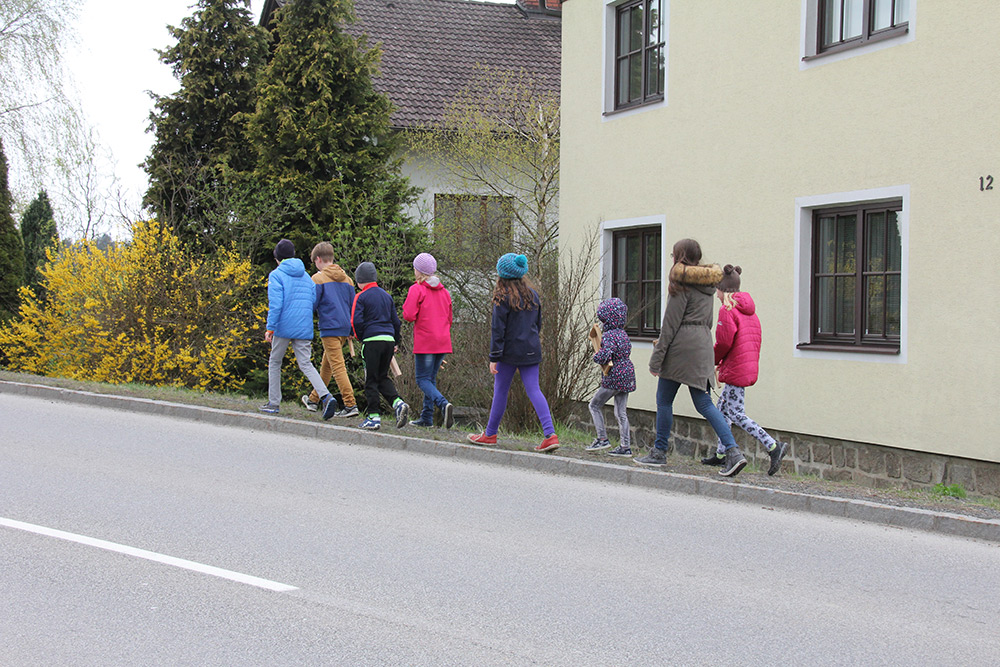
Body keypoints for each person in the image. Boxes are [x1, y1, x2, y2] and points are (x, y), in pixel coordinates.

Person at [637, 238, 746, 476]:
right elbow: (707, 321)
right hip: (702, 345)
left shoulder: (681, 283)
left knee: (664, 399)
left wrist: (656, 359)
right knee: (704, 403)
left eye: (673, 255)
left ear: (680, 257)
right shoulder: (708, 285)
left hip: (680, 347)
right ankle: (733, 451)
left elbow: (670, 324)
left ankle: (659, 452)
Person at [701, 264, 788, 475]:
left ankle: (773, 446)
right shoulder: (749, 312)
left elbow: (723, 343)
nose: (716, 294)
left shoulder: (727, 310)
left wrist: (710, 362)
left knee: (736, 414)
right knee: (722, 409)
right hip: (746, 367)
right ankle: (722, 454)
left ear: (722, 290)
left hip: (736, 371)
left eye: (717, 289)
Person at [468, 253, 559, 453]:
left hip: (508, 353)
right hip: (531, 350)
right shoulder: (533, 295)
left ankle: (490, 434)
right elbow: (538, 324)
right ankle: (550, 435)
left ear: (502, 274)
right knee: (534, 390)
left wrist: (494, 357)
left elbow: (497, 330)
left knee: (500, 391)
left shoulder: (501, 297)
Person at [260, 239, 336, 418]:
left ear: (278, 258)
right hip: (303, 325)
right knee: (305, 363)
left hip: (283, 325)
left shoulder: (276, 275)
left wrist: (270, 328)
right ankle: (326, 396)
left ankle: (274, 402)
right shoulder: (305, 276)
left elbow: (276, 304)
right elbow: (311, 301)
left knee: (275, 362)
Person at [301, 241, 359, 418]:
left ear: (318, 259)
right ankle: (313, 400)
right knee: (327, 365)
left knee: (338, 367)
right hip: (343, 328)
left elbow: (312, 304)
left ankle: (350, 404)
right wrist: (351, 328)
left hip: (329, 327)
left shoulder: (317, 279)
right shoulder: (348, 280)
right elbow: (352, 306)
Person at [351, 261, 409, 430]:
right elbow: (396, 322)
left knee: (371, 379)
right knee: (382, 377)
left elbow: (356, 321)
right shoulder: (386, 296)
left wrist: (361, 337)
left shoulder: (360, 296)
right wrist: (395, 341)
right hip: (388, 340)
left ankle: (373, 416)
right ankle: (398, 403)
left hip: (371, 340)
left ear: (359, 280)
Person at [402, 252, 455, 428]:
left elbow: (408, 315)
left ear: (418, 271)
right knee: (430, 379)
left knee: (422, 379)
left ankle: (443, 403)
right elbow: (450, 318)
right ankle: (427, 417)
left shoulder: (416, 289)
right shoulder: (445, 292)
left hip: (426, 340)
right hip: (443, 341)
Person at [585, 298, 636, 457]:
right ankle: (625, 446)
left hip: (614, 376)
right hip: (627, 375)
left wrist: (596, 356)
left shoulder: (608, 336)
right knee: (621, 412)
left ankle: (602, 439)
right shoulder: (623, 334)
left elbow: (605, 355)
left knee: (594, 405)